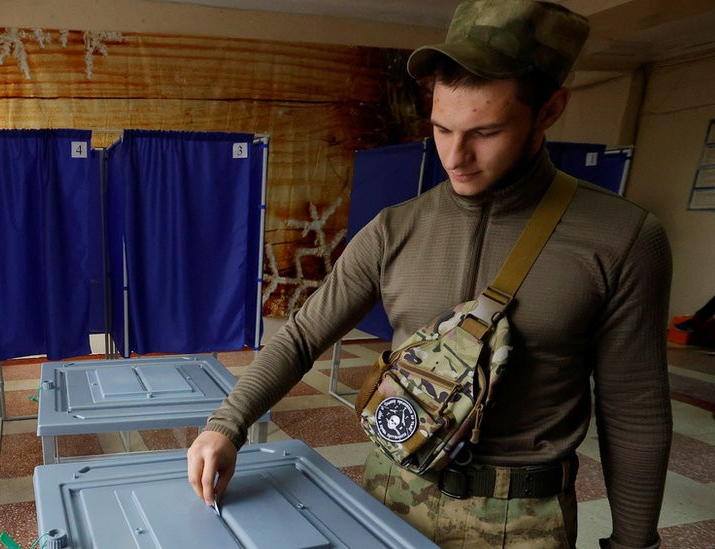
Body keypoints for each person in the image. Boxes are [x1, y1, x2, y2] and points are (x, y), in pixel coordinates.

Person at [187, 1, 673, 547]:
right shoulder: (396, 228)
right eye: (441, 128)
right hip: (390, 492)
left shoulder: (621, 237)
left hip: (524, 520)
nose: (456, 155)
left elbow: (633, 412)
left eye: (486, 132)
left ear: (550, 110)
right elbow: (302, 336)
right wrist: (226, 425)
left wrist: (634, 544)